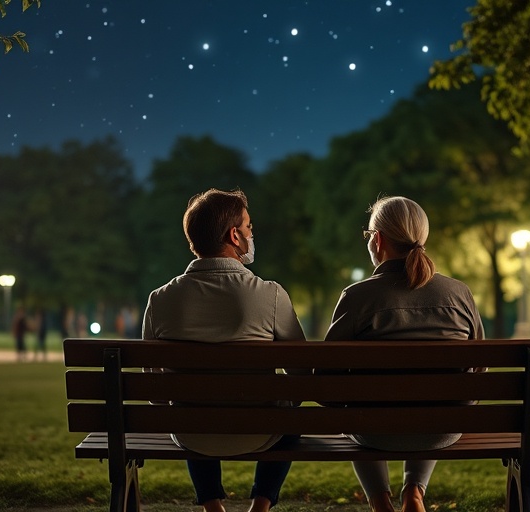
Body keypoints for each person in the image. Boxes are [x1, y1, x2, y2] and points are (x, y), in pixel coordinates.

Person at [142, 188, 307, 512]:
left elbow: (157, 395)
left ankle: (213, 507)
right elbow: (301, 376)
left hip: (193, 434)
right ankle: (259, 506)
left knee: (190, 406)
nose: (251, 234)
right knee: (293, 415)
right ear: (234, 235)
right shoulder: (270, 294)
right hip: (262, 431)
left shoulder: (160, 299)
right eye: (248, 228)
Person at [323, 196, 485, 512]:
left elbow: (326, 383)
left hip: (374, 431)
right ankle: (414, 492)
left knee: (351, 409)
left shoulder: (358, 297)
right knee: (429, 403)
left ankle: (380, 501)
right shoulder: (459, 294)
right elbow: (478, 374)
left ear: (378, 240)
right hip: (441, 429)